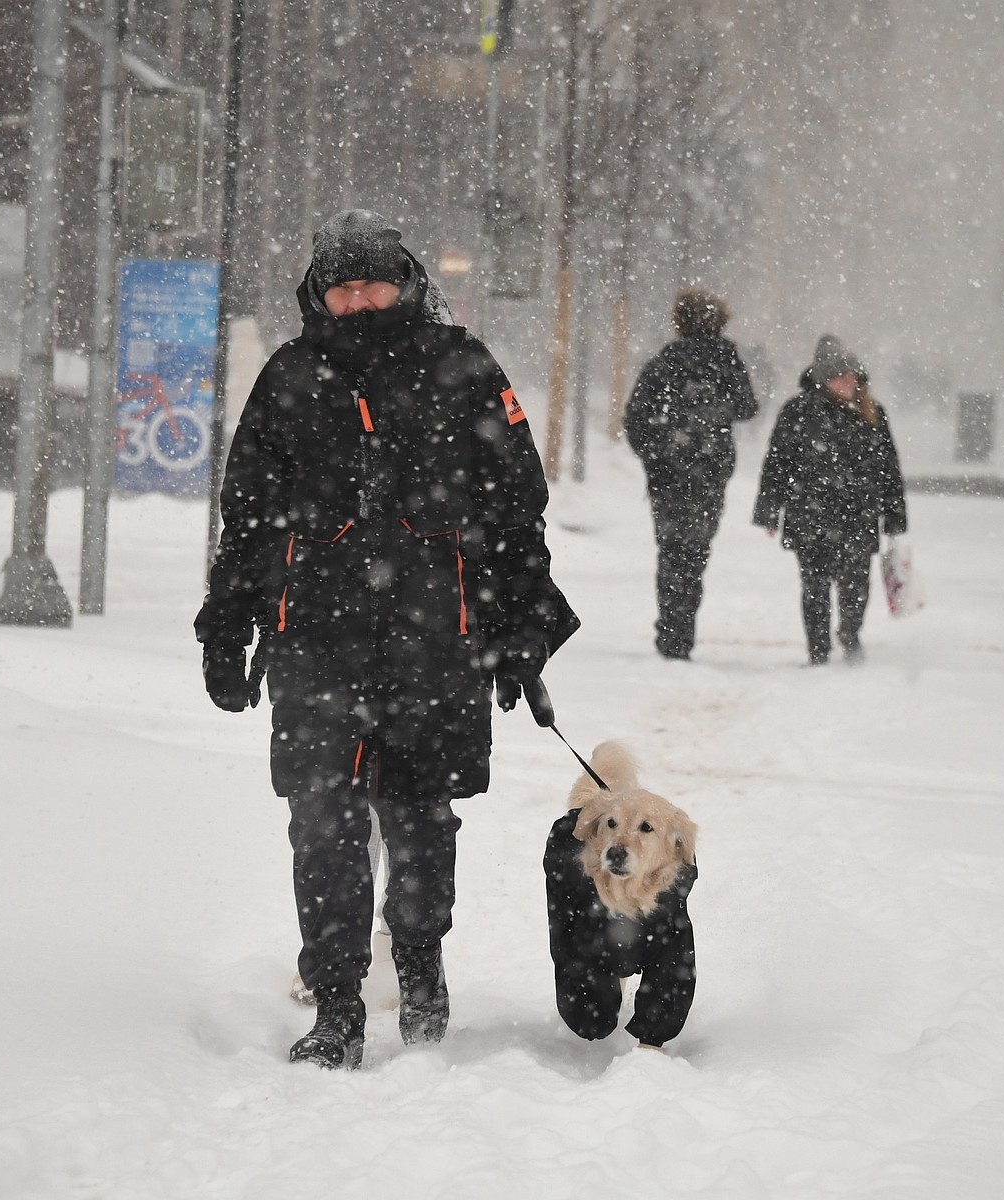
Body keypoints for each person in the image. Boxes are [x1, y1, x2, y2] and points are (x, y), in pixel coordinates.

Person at [194, 210, 578, 1069]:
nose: (358, 298)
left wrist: (520, 626)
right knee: (321, 823)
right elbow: (248, 517)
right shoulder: (290, 377)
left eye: (372, 281)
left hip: (437, 641)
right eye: (342, 284)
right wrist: (228, 624)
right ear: (319, 293)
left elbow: (518, 509)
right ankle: (335, 1003)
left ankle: (420, 968)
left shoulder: (463, 367)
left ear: (405, 283)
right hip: (313, 643)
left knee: (420, 817)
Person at [752, 334, 907, 665]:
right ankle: (818, 649)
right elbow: (777, 463)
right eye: (841, 374)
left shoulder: (872, 414)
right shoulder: (797, 412)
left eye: (854, 374)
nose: (850, 380)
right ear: (823, 378)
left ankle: (850, 636)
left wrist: (895, 515)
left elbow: (889, 469)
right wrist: (768, 511)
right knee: (815, 587)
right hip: (810, 514)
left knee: (856, 587)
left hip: (858, 515)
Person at [623, 287, 757, 660]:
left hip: (668, 476)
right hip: (710, 473)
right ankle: (682, 628)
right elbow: (748, 406)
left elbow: (635, 419)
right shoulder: (727, 362)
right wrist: (716, 416)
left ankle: (671, 629)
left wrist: (657, 453)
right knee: (695, 551)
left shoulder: (663, 363)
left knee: (670, 552)